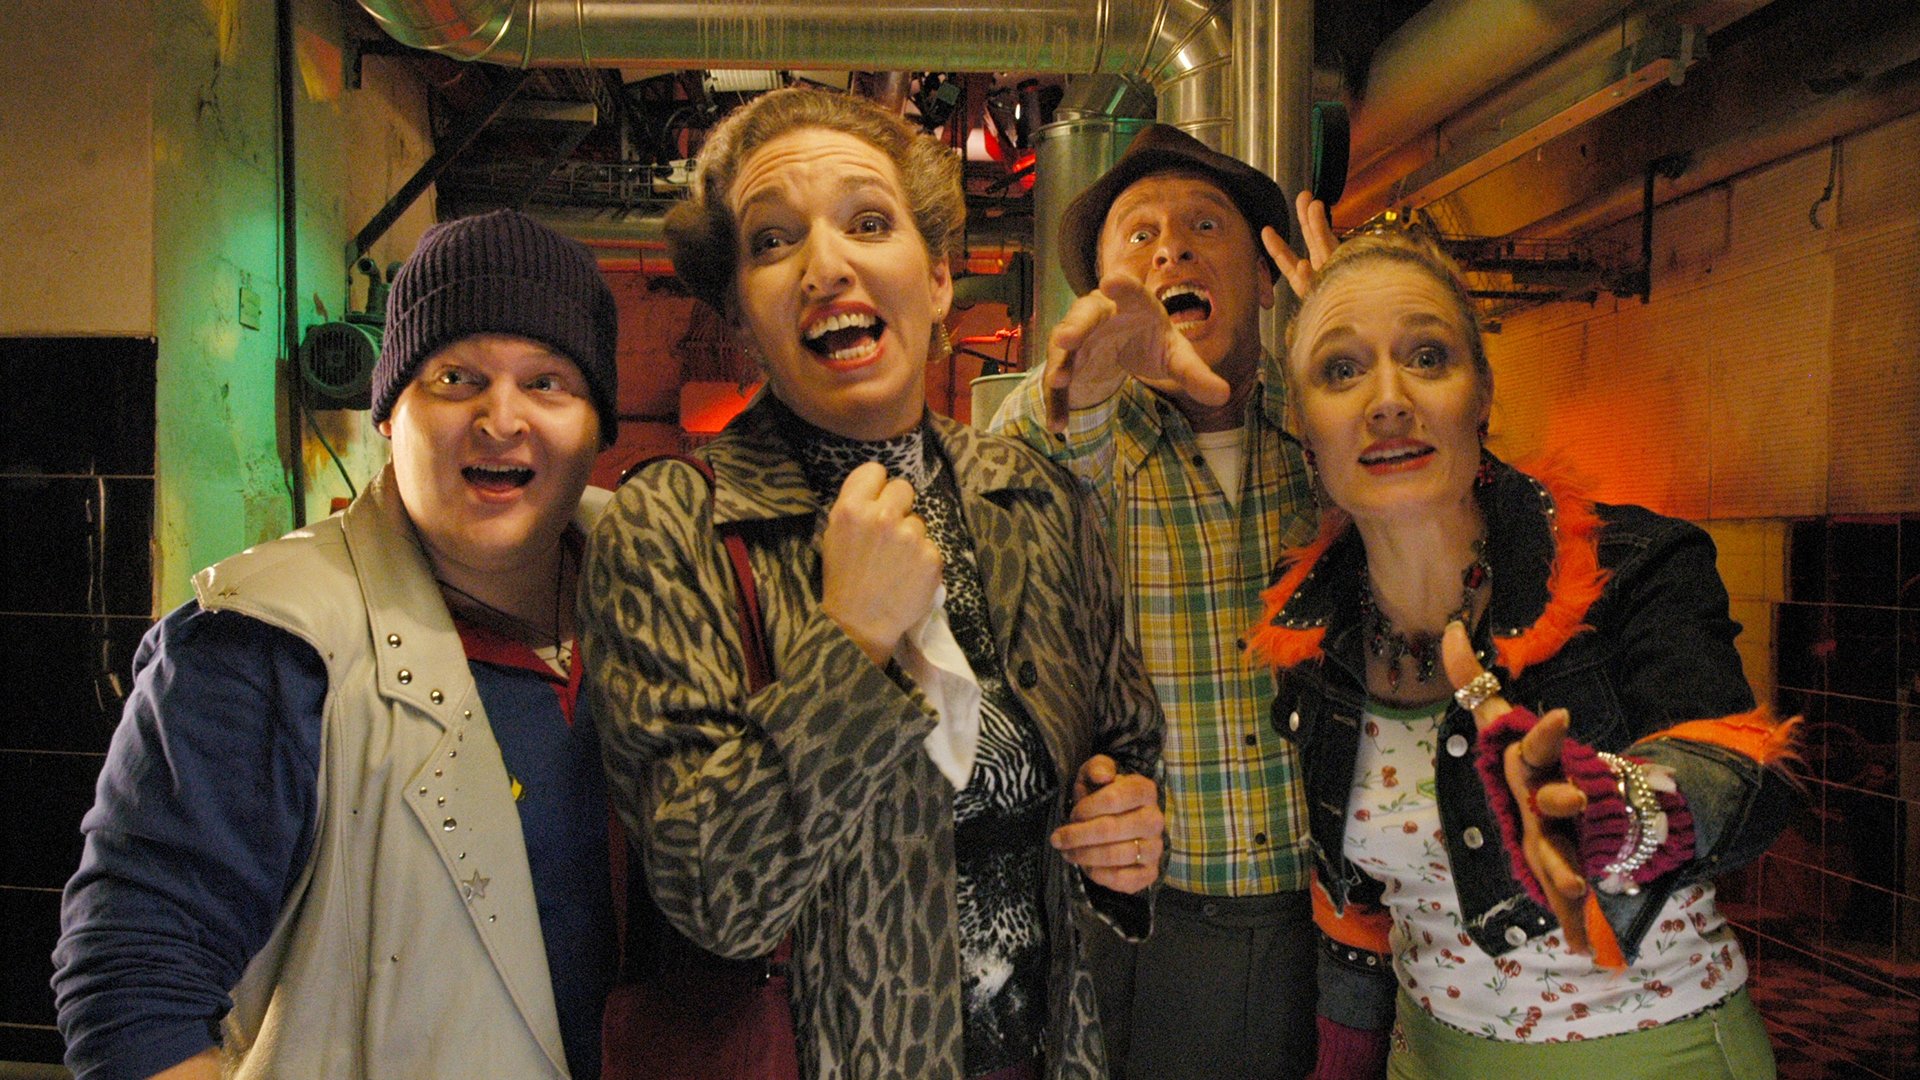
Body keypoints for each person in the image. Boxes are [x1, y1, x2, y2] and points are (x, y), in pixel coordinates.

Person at [582, 86, 1165, 1080]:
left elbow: (1123, 743)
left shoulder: (1034, 500)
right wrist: (850, 648)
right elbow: (716, 898)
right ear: (740, 312)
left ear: (937, 280)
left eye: (867, 223)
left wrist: (1129, 827)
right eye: (773, 242)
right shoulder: (669, 527)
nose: (825, 266)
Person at [51, 209, 621, 1080]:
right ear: (390, 414)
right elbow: (133, 992)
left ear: (598, 427)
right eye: (455, 378)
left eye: (548, 383)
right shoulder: (263, 644)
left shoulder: (666, 597)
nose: (500, 419)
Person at [1245, 224, 1801, 1078]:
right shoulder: (1315, 630)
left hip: (1649, 1056)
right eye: (1341, 369)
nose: (1388, 399)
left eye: (1427, 356)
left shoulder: (1633, 563)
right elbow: (1357, 911)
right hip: (1425, 1056)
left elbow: (1739, 776)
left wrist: (1617, 810)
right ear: (1305, 428)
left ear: (1481, 394)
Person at [988, 126, 1333, 1079]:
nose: (1172, 250)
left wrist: (1355, 341)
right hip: (1147, 919)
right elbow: (1022, 508)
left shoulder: (1321, 425)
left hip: (1336, 914)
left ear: (1265, 279)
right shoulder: (1061, 420)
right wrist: (1090, 388)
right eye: (1138, 236)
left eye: (1205, 226)